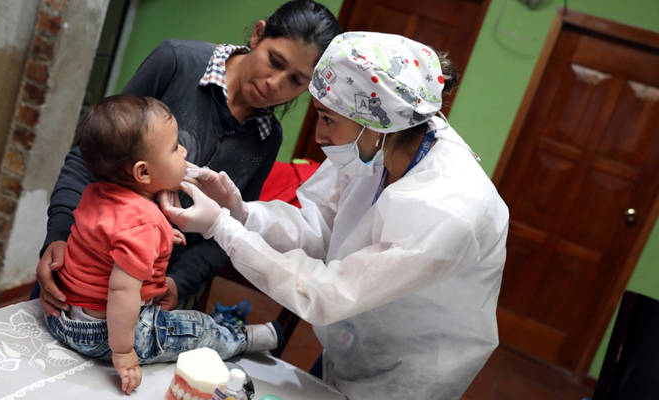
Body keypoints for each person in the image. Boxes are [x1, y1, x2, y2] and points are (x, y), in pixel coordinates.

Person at [160, 32, 509, 400]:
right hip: (350, 341)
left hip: (409, 373)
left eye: (327, 118)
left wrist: (221, 228)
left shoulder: (448, 210)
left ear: (377, 123)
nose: (318, 134)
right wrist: (243, 212)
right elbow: (317, 229)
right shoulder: (373, 146)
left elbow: (329, 292)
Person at [35, 0, 342, 315]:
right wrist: (58, 235)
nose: (274, 84)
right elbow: (89, 157)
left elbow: (230, 226)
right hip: (81, 263)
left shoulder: (267, 138)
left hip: (150, 294)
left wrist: (180, 282)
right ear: (258, 35)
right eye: (274, 61)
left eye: (296, 80)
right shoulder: (177, 63)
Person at [45, 94, 283, 395]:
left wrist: (160, 237)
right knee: (196, 329)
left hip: (65, 318)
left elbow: (107, 240)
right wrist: (122, 352)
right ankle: (241, 338)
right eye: (174, 148)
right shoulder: (143, 223)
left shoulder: (98, 191)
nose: (183, 151)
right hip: (105, 331)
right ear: (143, 172)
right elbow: (121, 290)